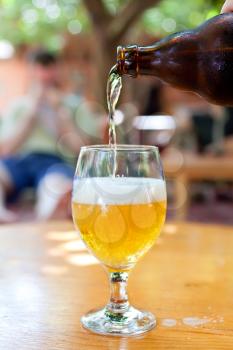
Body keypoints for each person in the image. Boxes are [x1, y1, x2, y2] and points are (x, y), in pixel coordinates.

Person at [0, 50, 92, 223]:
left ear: (57, 71)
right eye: (39, 68)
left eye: (48, 67)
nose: (44, 75)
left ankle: (48, 215)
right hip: (18, 160)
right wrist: (31, 113)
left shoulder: (74, 106)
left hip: (55, 162)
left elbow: (82, 151)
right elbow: (5, 149)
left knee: (54, 185)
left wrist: (59, 112)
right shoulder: (18, 106)